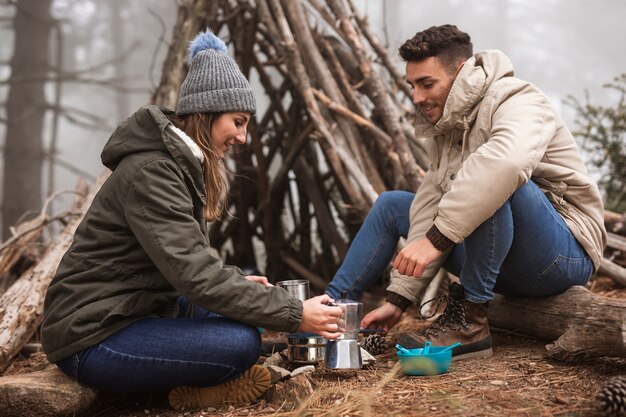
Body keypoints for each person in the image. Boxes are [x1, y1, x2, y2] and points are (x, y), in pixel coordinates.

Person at [41, 29, 344, 411]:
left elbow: (190, 265)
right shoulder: (153, 173)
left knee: (240, 299)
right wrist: (295, 313)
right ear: (207, 113)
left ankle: (190, 385)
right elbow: (195, 276)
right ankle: (187, 392)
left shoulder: (177, 166)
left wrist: (239, 285)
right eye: (237, 121)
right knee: (239, 344)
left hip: (134, 308)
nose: (243, 137)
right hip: (93, 336)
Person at [326, 24, 607, 360]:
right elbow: (430, 203)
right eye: (412, 85)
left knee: (496, 182)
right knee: (392, 205)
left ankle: (471, 322)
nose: (416, 97)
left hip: (561, 256)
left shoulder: (518, 98)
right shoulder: (447, 124)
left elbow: (505, 165)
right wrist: (398, 298)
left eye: (426, 83)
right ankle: (330, 315)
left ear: (460, 72)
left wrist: (435, 241)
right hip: (502, 259)